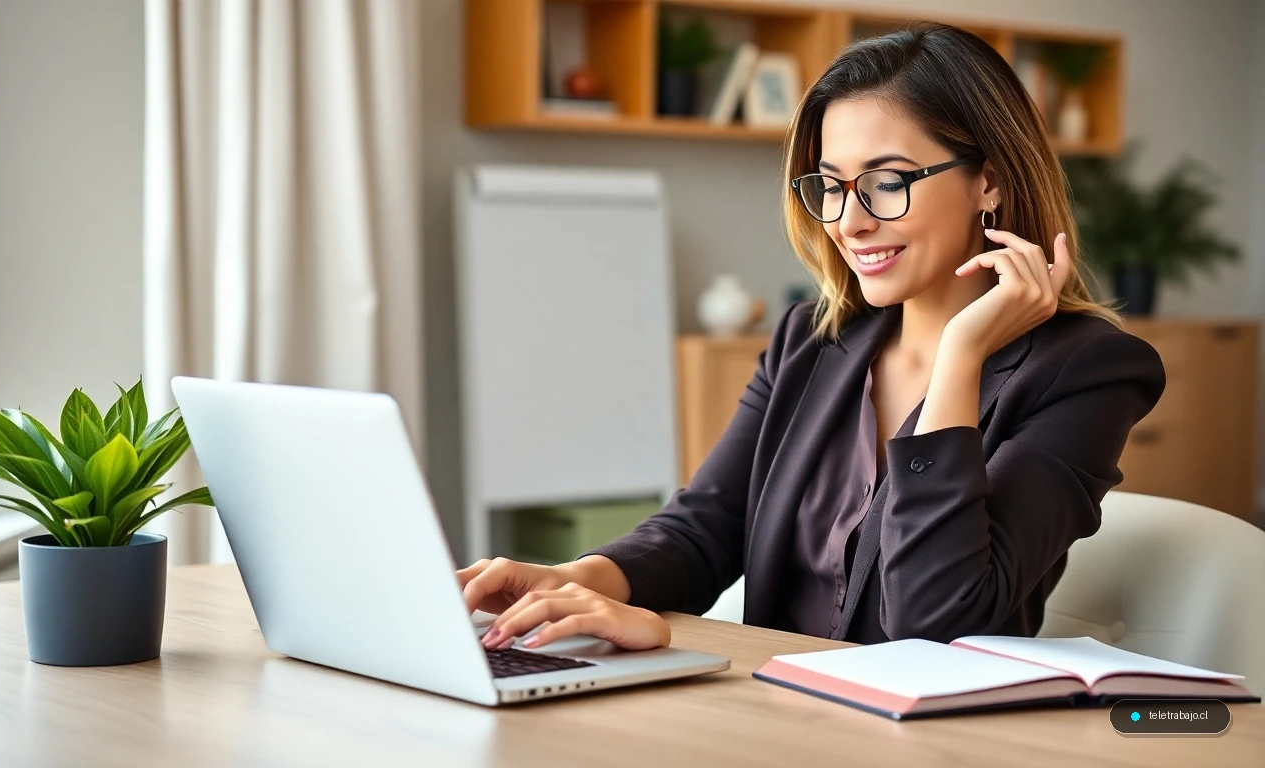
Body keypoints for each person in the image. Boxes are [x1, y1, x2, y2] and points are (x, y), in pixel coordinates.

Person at [458, 22, 1165, 653]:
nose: (849, 222)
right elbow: (707, 526)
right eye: (831, 185)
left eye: (887, 182)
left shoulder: (1090, 373)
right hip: (773, 715)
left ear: (991, 181)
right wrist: (575, 578)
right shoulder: (811, 340)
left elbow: (935, 619)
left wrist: (959, 357)